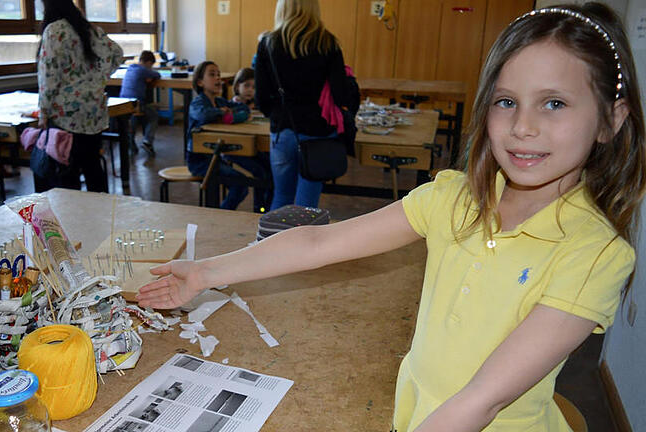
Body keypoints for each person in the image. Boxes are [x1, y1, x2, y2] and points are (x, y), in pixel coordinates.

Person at [137, 3, 645, 431]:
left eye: (554, 103)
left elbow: (483, 399)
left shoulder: (596, 253)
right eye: (506, 102)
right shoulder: (456, 196)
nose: (523, 127)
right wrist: (205, 272)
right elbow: (318, 244)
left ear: (610, 120)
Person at [254, 0, 351, 210]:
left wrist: (277, 114)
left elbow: (261, 97)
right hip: (318, 131)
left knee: (281, 197)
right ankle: (302, 241)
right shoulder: (328, 43)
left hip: (283, 131)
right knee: (306, 205)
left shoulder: (268, 43)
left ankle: (273, 242)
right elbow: (340, 94)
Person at [36, 0, 123, 193]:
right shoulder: (88, 29)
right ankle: (101, 215)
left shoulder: (54, 31)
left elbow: (49, 76)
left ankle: (74, 219)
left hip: (66, 115)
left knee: (67, 170)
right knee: (92, 165)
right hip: (93, 112)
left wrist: (44, 112)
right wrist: (98, 78)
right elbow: (117, 54)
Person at [186, 61, 272, 212]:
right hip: (201, 161)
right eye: (212, 75)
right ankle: (221, 214)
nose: (218, 78)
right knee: (240, 185)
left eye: (219, 75)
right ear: (200, 82)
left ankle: (261, 209)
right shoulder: (198, 103)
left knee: (265, 168)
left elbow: (244, 109)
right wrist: (222, 113)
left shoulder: (219, 101)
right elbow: (202, 115)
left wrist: (229, 114)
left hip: (216, 155)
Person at [120, 50, 161, 157]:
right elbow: (157, 74)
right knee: (153, 116)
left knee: (133, 117)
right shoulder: (143, 70)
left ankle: (130, 141)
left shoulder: (131, 68)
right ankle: (148, 141)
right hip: (136, 104)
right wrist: (150, 74)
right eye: (151, 65)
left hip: (123, 104)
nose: (150, 67)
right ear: (148, 62)